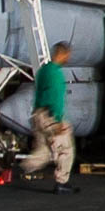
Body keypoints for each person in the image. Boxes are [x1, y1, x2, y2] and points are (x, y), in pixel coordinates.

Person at [21, 42, 79, 195]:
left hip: (38, 114)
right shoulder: (56, 74)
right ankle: (62, 183)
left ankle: (24, 167)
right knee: (65, 150)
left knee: (44, 151)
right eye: (68, 54)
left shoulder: (43, 71)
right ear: (62, 54)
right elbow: (56, 99)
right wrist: (58, 120)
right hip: (50, 116)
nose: (69, 57)